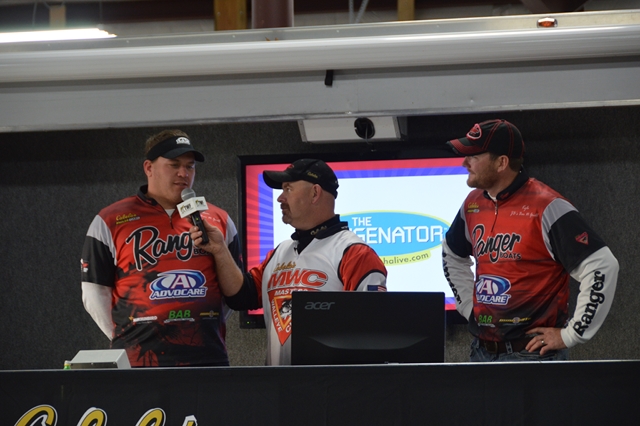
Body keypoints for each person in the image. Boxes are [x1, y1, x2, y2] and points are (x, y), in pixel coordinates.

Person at [442, 119, 618, 362]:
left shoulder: (547, 206)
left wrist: (572, 334)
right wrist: (468, 308)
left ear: (502, 162)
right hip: (481, 352)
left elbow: (602, 265)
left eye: (473, 156)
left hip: (533, 355)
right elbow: (452, 254)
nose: (465, 163)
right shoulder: (473, 203)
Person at [189, 158, 388, 365]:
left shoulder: (354, 253)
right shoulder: (280, 252)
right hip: (278, 382)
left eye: (288, 189)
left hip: (330, 383)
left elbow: (372, 334)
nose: (280, 198)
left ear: (315, 193)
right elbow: (240, 297)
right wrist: (220, 250)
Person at [80, 129, 243, 367]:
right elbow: (94, 293)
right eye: (174, 165)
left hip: (207, 358)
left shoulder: (218, 219)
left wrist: (206, 321)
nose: (183, 173)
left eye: (190, 167)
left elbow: (233, 291)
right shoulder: (110, 219)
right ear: (149, 168)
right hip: (138, 361)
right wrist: (125, 337)